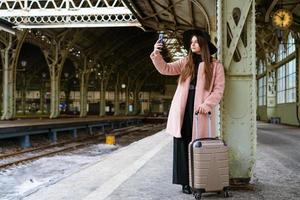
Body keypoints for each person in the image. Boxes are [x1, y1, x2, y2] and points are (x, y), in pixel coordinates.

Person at [150, 29, 225, 194]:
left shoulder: (215, 65)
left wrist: (207, 104)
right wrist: (156, 54)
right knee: (182, 142)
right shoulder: (185, 62)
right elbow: (166, 69)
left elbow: (219, 90)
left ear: (203, 45)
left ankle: (199, 180)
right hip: (183, 109)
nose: (192, 45)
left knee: (199, 145)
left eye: (196, 42)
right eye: (191, 42)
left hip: (201, 110)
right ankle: (185, 182)